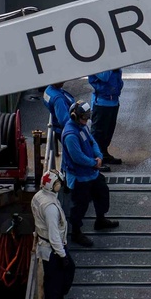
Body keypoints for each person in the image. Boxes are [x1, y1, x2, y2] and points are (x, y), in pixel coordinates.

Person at [61, 100, 119, 248]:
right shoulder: (70, 135)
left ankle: (100, 219)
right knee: (80, 205)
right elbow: (77, 157)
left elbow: (92, 141)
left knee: (102, 193)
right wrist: (94, 163)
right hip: (80, 176)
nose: (86, 120)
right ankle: (76, 232)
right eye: (84, 117)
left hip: (91, 172)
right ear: (75, 116)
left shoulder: (82, 126)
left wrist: (99, 155)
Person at [31, 169, 76, 299]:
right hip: (53, 250)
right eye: (58, 183)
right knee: (55, 281)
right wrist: (62, 255)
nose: (60, 185)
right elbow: (54, 235)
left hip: (47, 247)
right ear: (53, 186)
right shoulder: (50, 207)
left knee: (59, 277)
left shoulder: (38, 197)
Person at [87, 69, 123, 170]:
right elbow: (104, 76)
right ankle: (95, 159)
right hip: (101, 101)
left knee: (108, 131)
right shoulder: (98, 62)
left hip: (114, 99)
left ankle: (104, 153)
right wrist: (113, 66)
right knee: (98, 133)